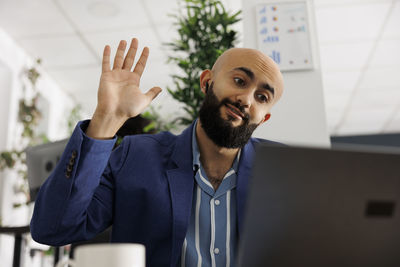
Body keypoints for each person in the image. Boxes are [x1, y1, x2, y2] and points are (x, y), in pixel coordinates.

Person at [30, 38, 284, 267]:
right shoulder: (137, 156)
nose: (247, 99)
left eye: (262, 97)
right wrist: (106, 118)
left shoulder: (283, 171)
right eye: (239, 81)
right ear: (207, 82)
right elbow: (53, 229)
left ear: (265, 118)